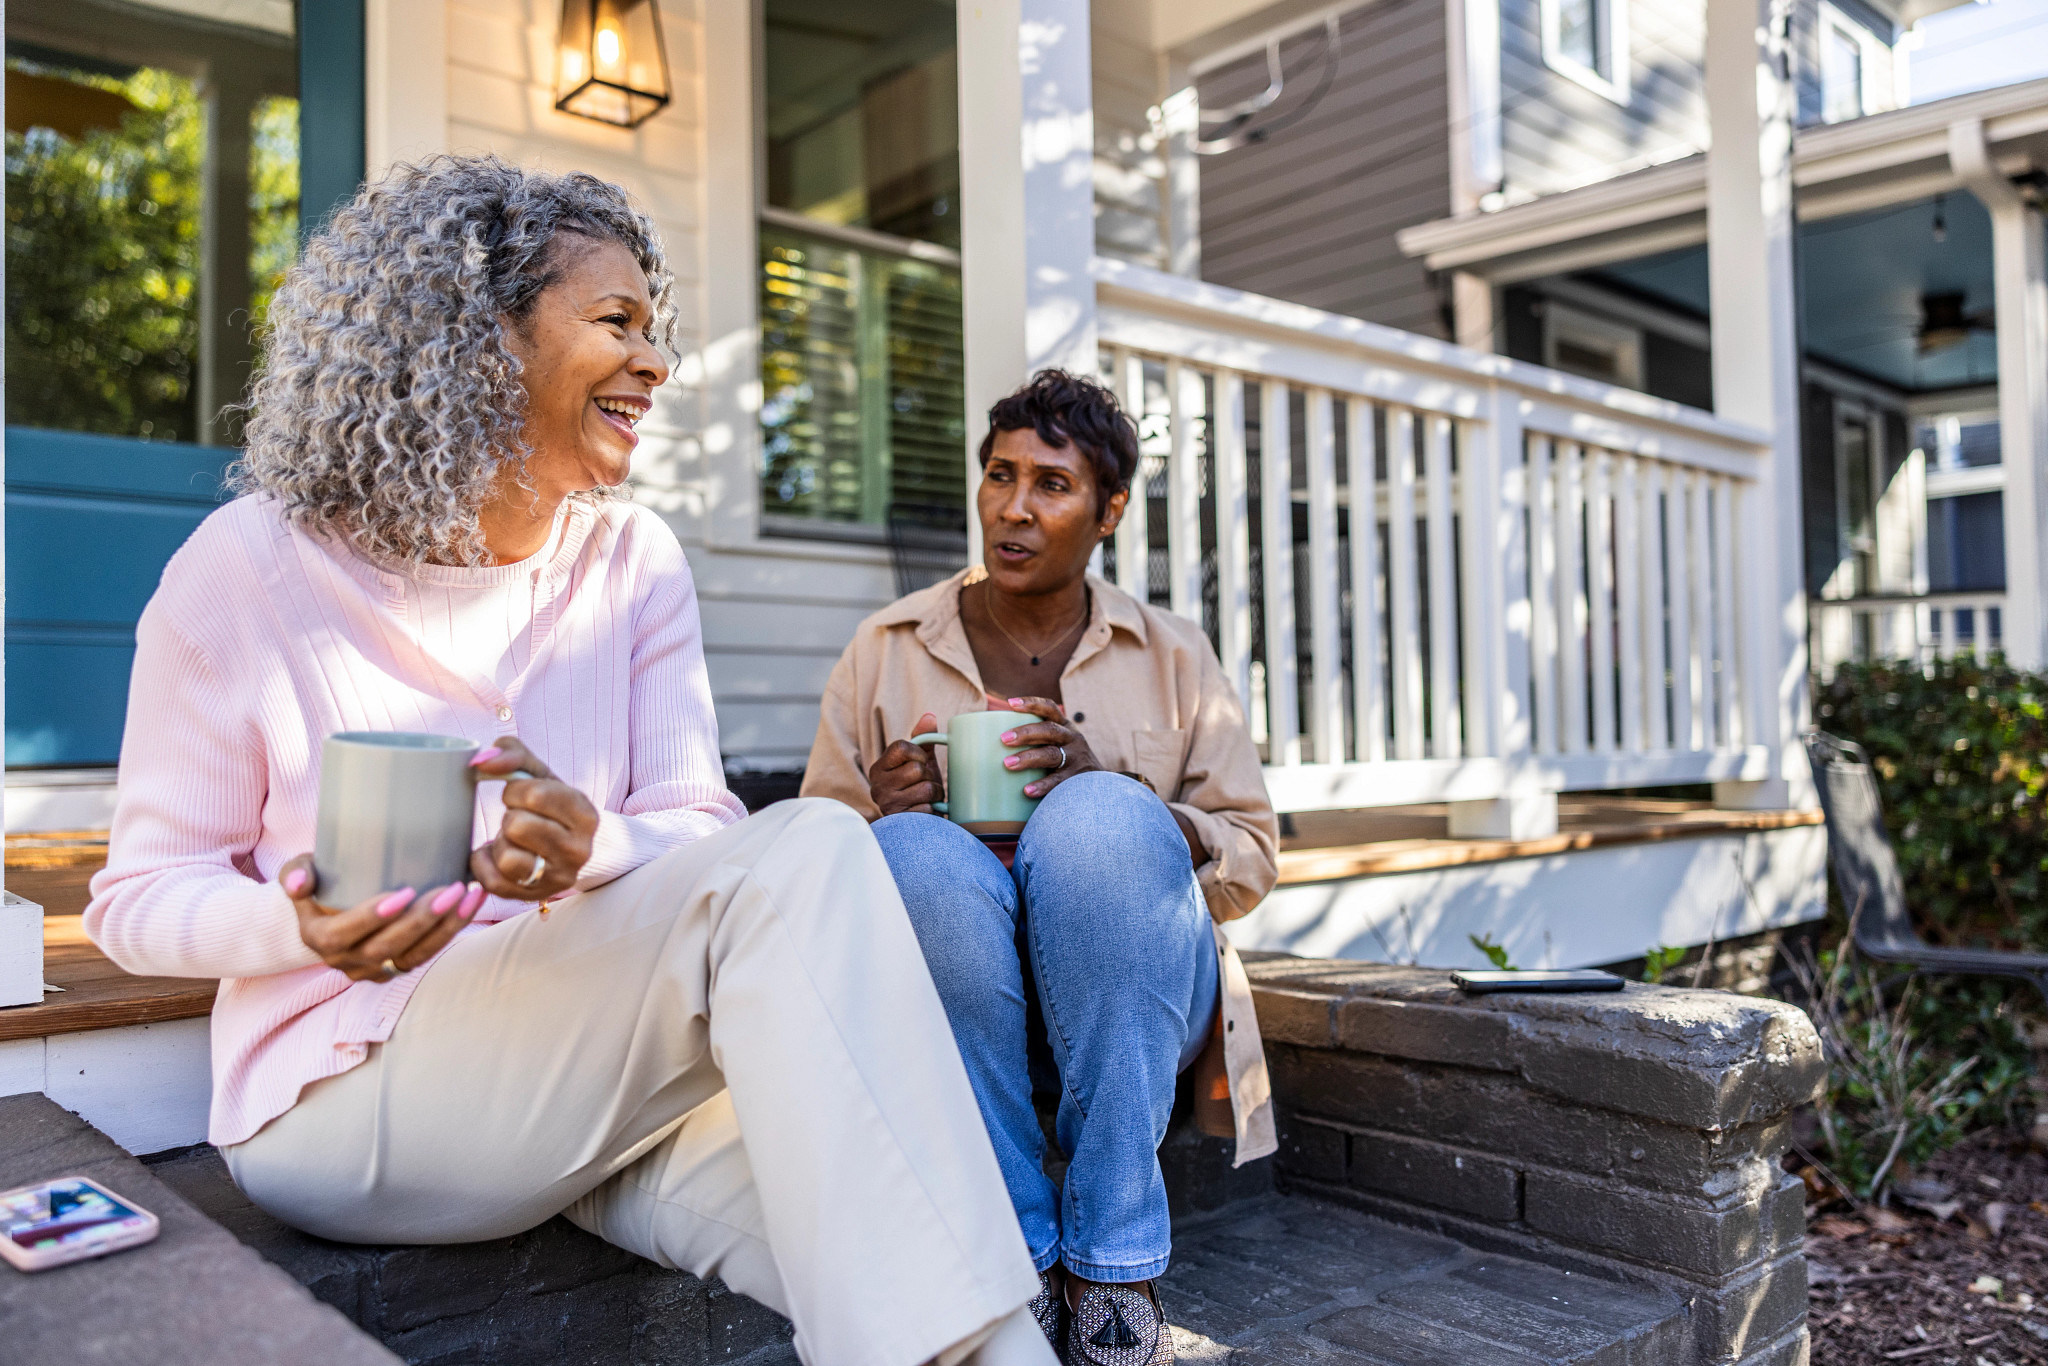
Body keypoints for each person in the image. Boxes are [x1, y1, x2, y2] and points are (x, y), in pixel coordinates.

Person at [84, 155, 1056, 1366]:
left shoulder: (633, 560)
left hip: (579, 1085)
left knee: (923, 1249)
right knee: (811, 844)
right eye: (615, 324)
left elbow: (697, 822)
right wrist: (310, 925)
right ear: (478, 338)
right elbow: (135, 901)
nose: (656, 361)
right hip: (341, 1102)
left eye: (657, 331)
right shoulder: (250, 568)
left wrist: (599, 843)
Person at [802, 371, 1280, 1365]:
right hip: (950, 986)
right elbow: (802, 870)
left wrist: (1132, 804)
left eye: (1051, 485)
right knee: (912, 854)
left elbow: (1249, 856)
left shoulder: (1172, 655)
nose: (1013, 508)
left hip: (1133, 993)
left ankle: (1112, 1266)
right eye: (998, 475)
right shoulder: (881, 650)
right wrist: (875, 815)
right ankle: (1012, 1258)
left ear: (1107, 510)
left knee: (1101, 818)